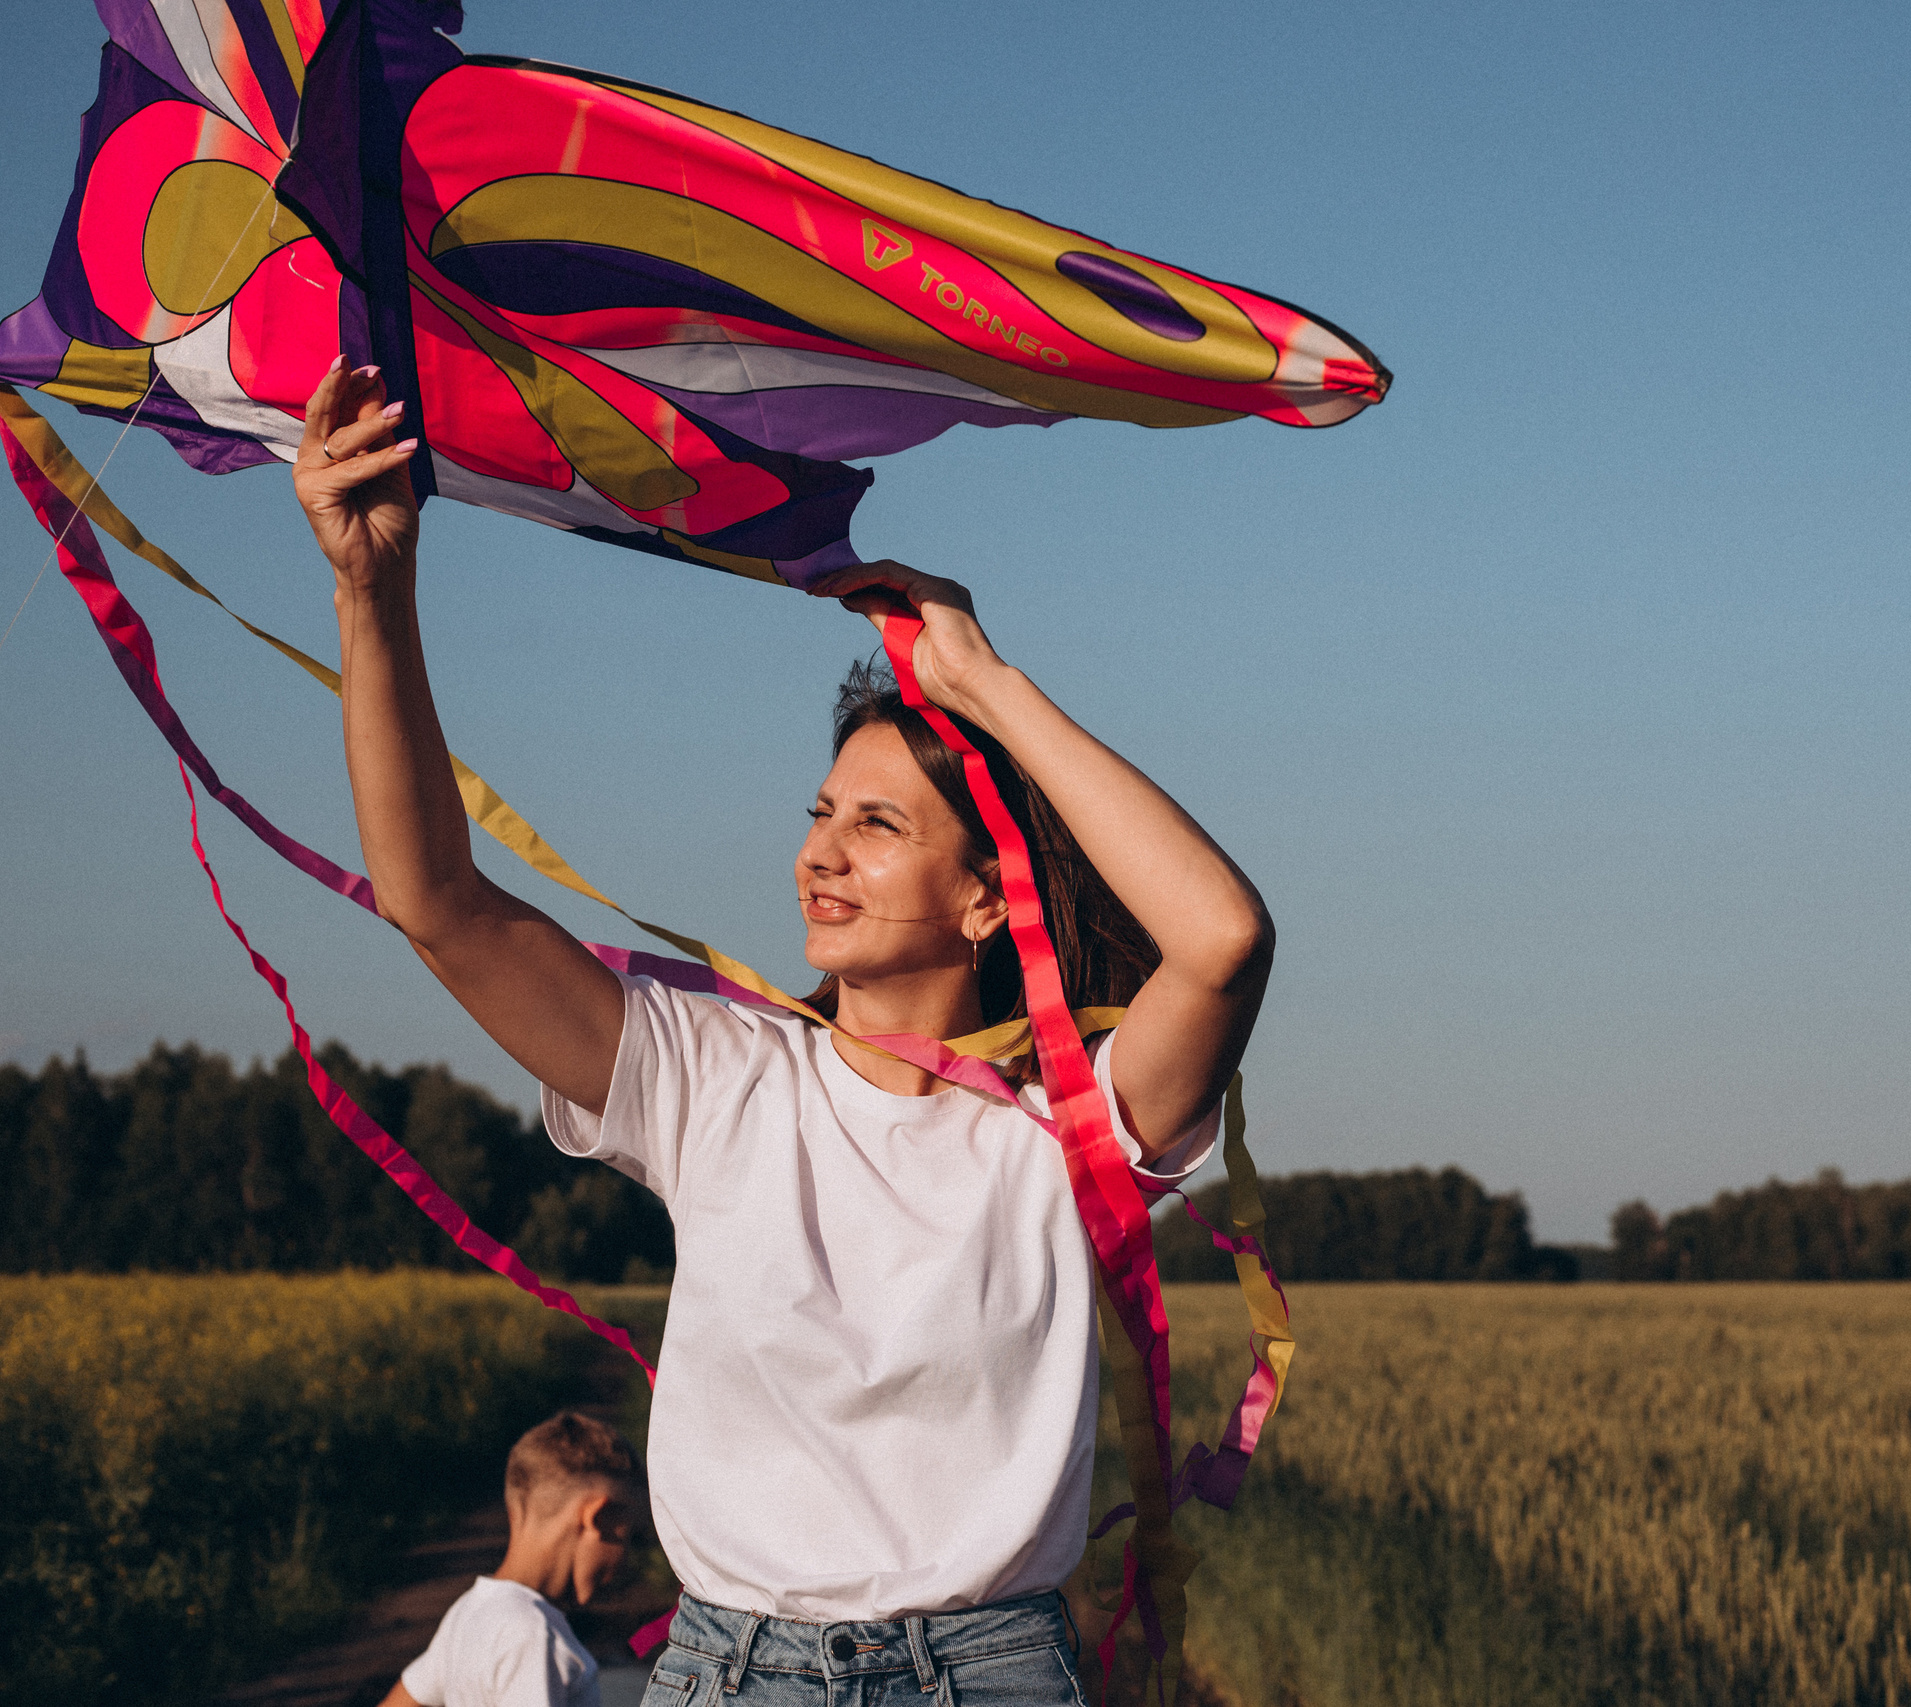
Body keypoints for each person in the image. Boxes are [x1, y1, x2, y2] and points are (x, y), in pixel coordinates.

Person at [294, 358, 1274, 1707]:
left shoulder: (1070, 1131)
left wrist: (983, 683)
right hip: (732, 1668)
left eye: (877, 824)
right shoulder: (713, 1072)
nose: (822, 852)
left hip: (988, 1674)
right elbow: (437, 902)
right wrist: (373, 587)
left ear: (986, 894)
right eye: (821, 813)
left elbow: (1223, 939)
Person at [383, 1410, 642, 1707]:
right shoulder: (534, 1637)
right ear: (595, 1518)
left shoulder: (468, 1611)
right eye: (630, 1536)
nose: (627, 1561)